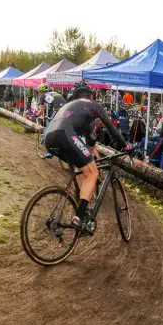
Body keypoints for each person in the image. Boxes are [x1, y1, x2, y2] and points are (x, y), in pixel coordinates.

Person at [44, 82, 129, 233]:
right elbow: (112, 130)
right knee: (93, 173)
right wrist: (126, 147)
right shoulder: (93, 105)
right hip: (65, 134)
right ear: (91, 96)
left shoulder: (70, 105)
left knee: (81, 168)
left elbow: (88, 137)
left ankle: (77, 201)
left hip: (49, 138)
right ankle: (79, 217)